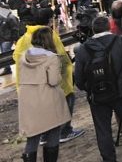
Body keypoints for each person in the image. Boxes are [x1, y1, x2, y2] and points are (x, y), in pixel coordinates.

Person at [13, 8, 85, 143]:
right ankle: (64, 131)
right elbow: (61, 57)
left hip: (29, 84)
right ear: (49, 20)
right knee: (67, 101)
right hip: (53, 80)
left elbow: (17, 58)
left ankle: (43, 135)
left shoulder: (23, 38)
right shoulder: (49, 35)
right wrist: (67, 76)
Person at [74, 16, 122, 162]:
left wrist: (91, 88)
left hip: (97, 96)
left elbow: (78, 79)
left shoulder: (83, 49)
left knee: (103, 130)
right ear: (109, 26)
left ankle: (109, 159)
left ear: (93, 29)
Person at [17, 27, 71, 162]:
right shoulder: (51, 57)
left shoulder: (24, 57)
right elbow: (53, 81)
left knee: (33, 136)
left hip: (28, 102)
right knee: (53, 132)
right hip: (48, 100)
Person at [0, 10, 20, 75]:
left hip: (7, 39)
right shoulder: (3, 17)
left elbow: (15, 29)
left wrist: (15, 39)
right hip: (3, 38)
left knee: (7, 54)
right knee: (5, 54)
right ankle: (7, 68)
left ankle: (9, 68)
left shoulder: (11, 17)